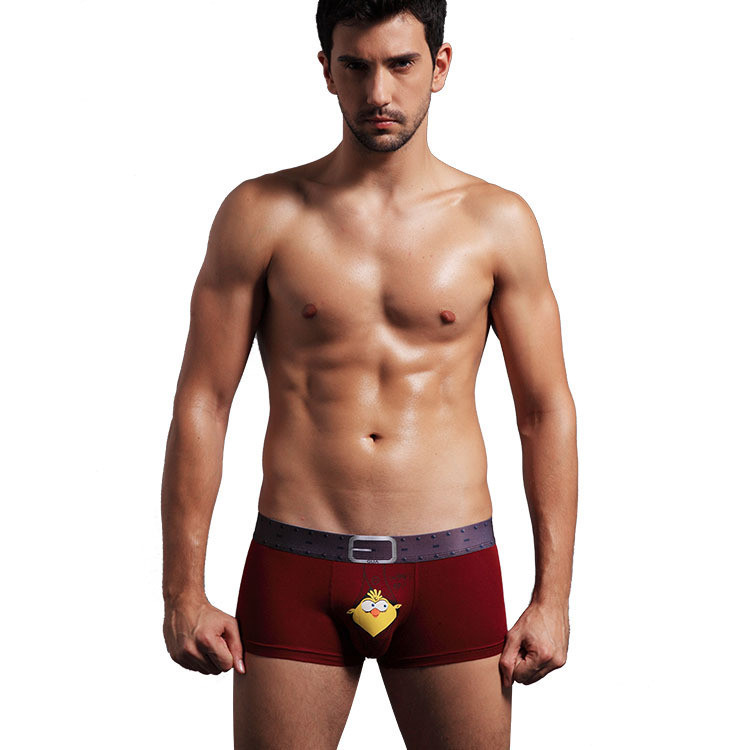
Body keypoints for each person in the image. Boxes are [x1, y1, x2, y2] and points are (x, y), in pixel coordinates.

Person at [161, 1, 578, 747]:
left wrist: (554, 598)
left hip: (451, 562)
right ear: (327, 70)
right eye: (355, 66)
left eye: (401, 64)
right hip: (296, 563)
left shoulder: (497, 222)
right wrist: (182, 591)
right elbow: (204, 401)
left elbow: (544, 410)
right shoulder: (260, 214)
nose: (378, 92)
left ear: (439, 67)